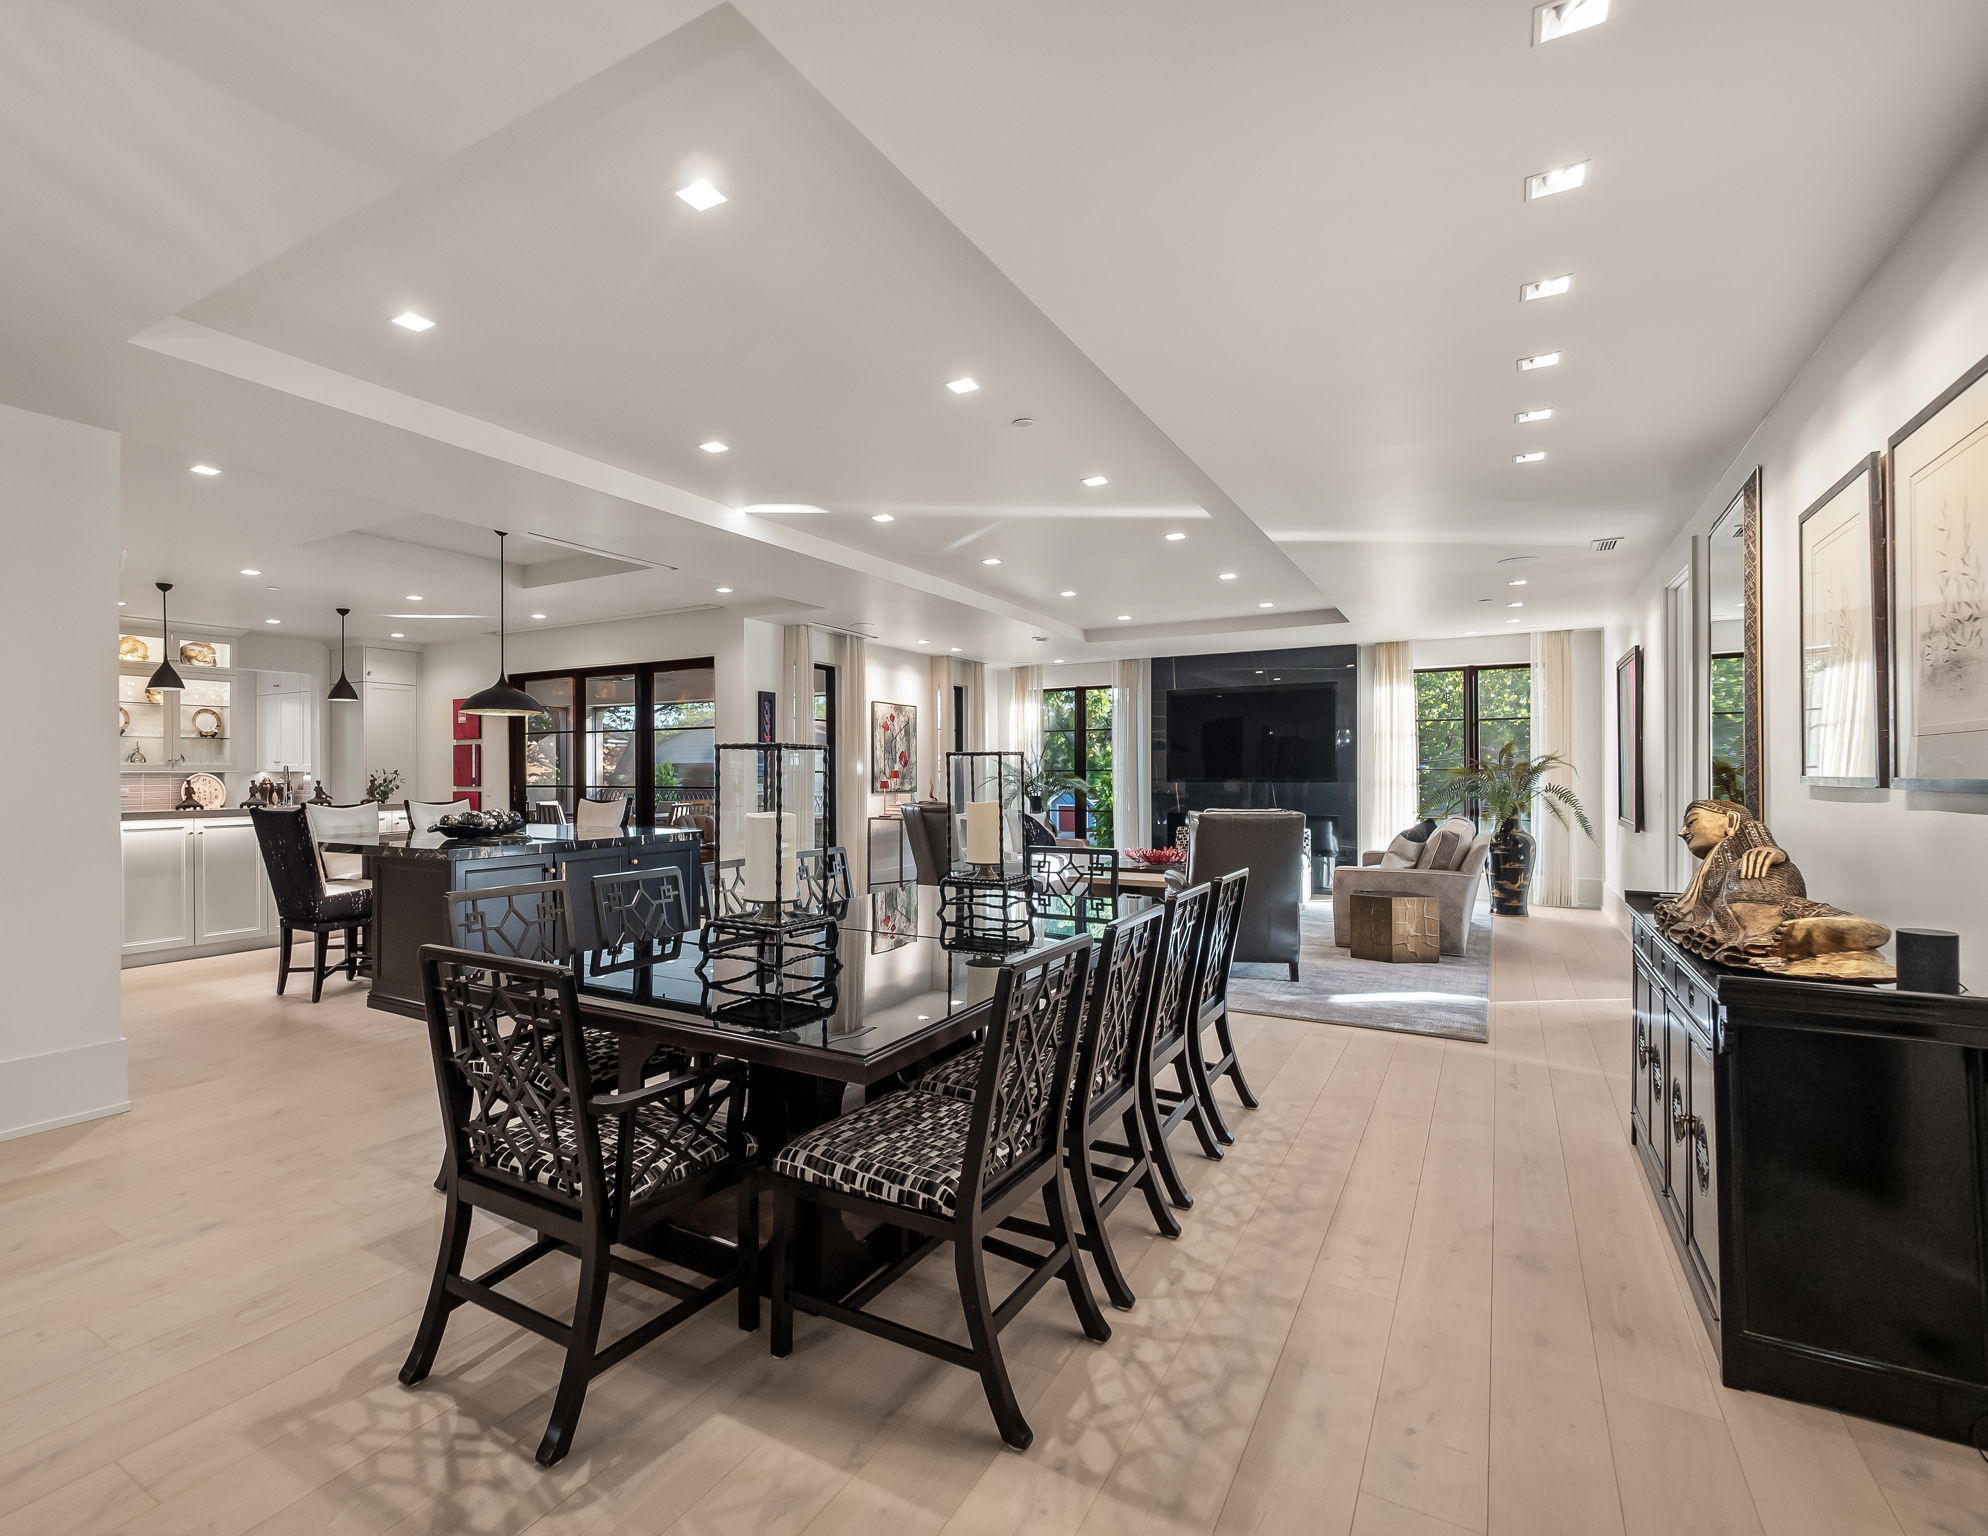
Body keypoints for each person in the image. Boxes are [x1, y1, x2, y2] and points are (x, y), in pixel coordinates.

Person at [1654, 799, 1892, 980]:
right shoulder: (1715, 862)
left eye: (1691, 821)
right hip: (1737, 894)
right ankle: (1813, 938)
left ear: (1731, 821)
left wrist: (1769, 850)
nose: (1682, 831)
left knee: (1751, 908)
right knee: (1740, 919)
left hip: (1760, 878)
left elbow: (1757, 835)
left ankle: (1841, 926)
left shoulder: (1744, 836)